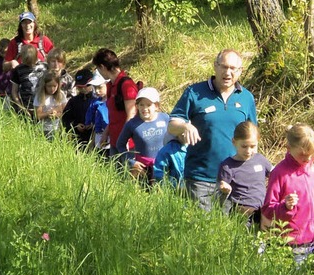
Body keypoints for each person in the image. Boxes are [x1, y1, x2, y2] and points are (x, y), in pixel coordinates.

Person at [168, 49, 256, 211]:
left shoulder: (246, 98)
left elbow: (253, 137)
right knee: (201, 230)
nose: (227, 73)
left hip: (234, 179)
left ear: (240, 71)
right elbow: (172, 125)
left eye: (233, 68)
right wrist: (185, 126)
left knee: (229, 232)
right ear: (215, 66)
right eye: (223, 67)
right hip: (201, 178)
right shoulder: (194, 92)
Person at [262, 123, 314, 275]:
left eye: (311, 154)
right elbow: (268, 209)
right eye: (302, 155)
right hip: (294, 244)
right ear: (289, 148)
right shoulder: (280, 173)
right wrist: (284, 207)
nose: (307, 158)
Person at [218, 121, 272, 226]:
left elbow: (275, 175)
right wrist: (224, 188)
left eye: (252, 146)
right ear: (234, 142)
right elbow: (221, 188)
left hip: (262, 210)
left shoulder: (260, 160)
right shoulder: (228, 165)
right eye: (244, 146)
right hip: (241, 212)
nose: (248, 151)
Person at [91, 48, 138, 157]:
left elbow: (131, 114)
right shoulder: (110, 85)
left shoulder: (127, 85)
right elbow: (113, 115)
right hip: (114, 140)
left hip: (127, 143)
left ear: (102, 67)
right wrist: (105, 133)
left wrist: (125, 138)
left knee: (128, 172)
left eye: (98, 68)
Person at [116, 87, 169, 182]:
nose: (145, 109)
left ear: (156, 106)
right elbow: (120, 144)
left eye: (149, 105)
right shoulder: (132, 124)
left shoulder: (165, 118)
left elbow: (175, 138)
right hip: (142, 168)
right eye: (141, 105)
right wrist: (131, 162)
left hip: (163, 164)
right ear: (137, 106)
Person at [10, 44, 46, 117]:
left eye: (31, 61)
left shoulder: (44, 67)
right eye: (27, 62)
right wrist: (21, 107)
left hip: (42, 107)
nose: (29, 65)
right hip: (25, 107)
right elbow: (14, 91)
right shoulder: (18, 70)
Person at [62, 69, 95, 147]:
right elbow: (65, 118)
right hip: (78, 139)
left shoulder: (98, 100)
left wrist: (93, 124)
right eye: (80, 87)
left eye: (86, 86)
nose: (83, 89)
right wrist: (75, 125)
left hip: (95, 138)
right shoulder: (73, 101)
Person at [34, 70, 67, 141]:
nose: (52, 89)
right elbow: (38, 115)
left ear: (58, 85)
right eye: (49, 86)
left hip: (57, 128)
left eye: (54, 86)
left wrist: (56, 115)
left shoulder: (61, 95)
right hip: (43, 129)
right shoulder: (40, 96)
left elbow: (64, 113)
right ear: (44, 85)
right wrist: (49, 113)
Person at [84, 70, 110, 158]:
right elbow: (89, 113)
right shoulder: (95, 102)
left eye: (100, 87)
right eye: (95, 88)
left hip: (110, 135)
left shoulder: (112, 102)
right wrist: (88, 123)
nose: (97, 91)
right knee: (100, 156)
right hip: (98, 134)